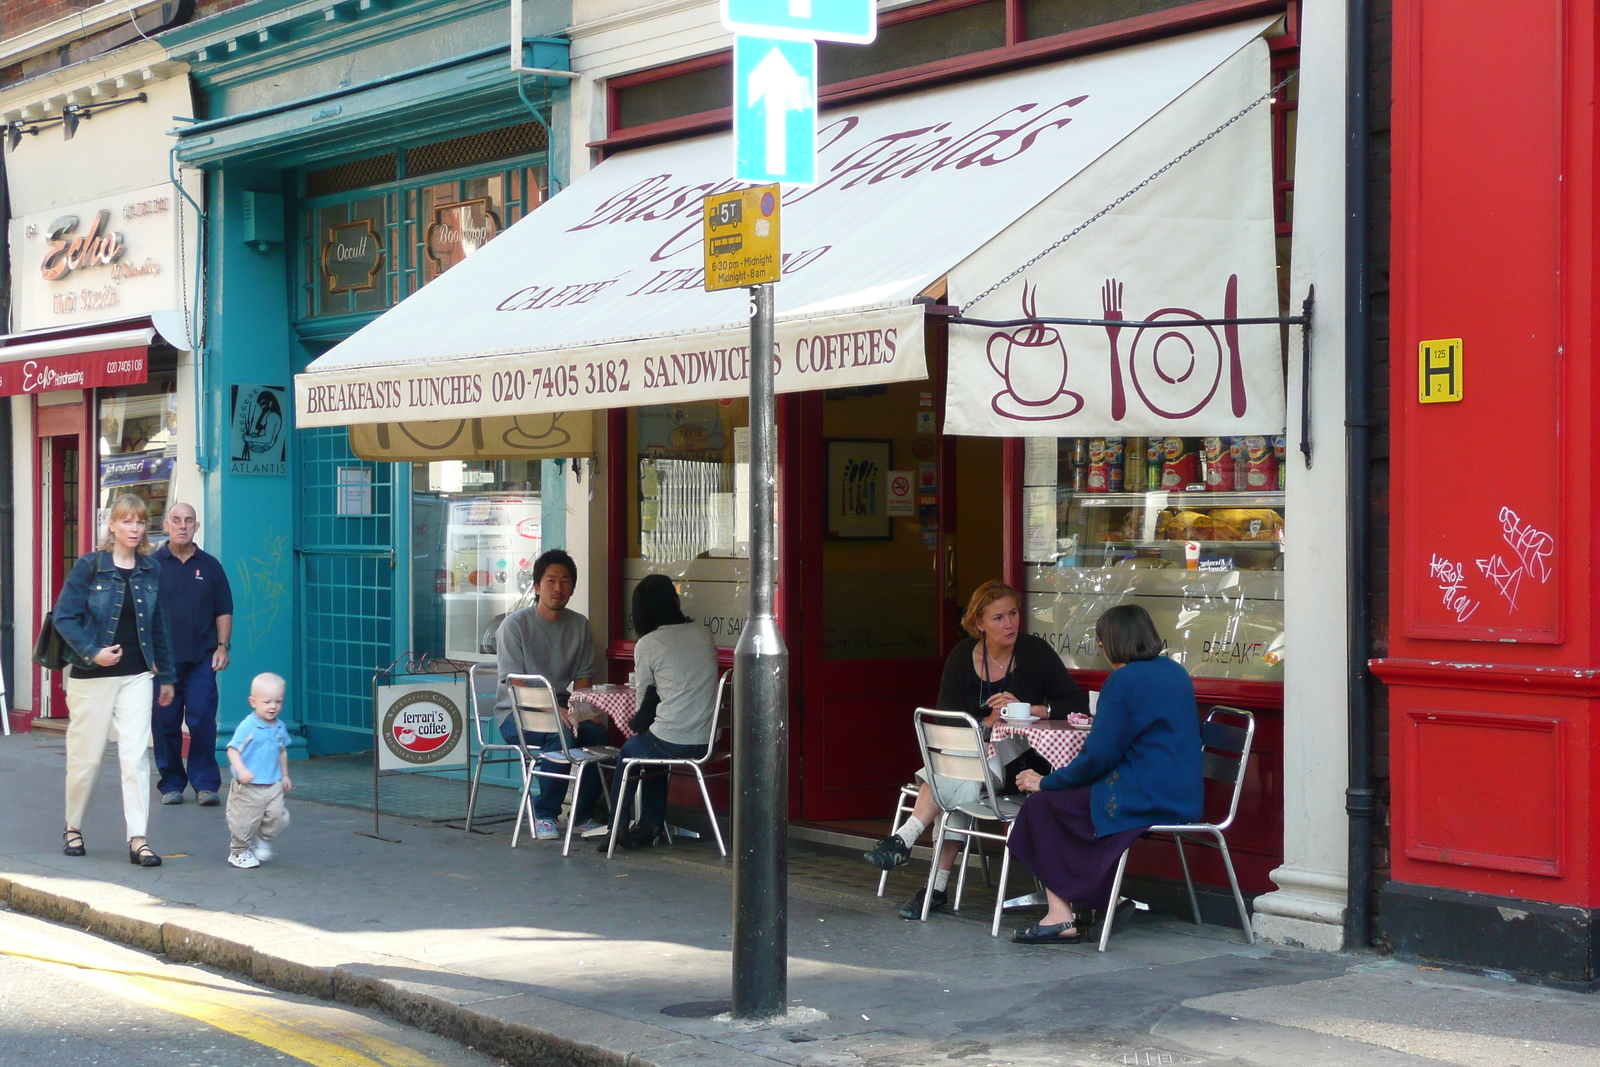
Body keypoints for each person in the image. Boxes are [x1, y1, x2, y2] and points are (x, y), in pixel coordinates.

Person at [862, 579, 1087, 919]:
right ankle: (932, 886)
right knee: (960, 783)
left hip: (1022, 767)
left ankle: (913, 852)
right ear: (978, 623)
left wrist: (1027, 708)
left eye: (1013, 614)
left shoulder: (1034, 652)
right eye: (998, 618)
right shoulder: (960, 658)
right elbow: (949, 725)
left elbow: (1075, 701)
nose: (1009, 624)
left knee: (954, 779)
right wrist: (989, 723)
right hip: (969, 761)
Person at [1006, 604, 1203, 944]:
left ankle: (1060, 916)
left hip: (1144, 793)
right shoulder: (1175, 672)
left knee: (1042, 806)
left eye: (1100, 642)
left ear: (1108, 643)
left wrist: (1046, 781)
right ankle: (1103, 899)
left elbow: (1097, 758)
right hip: (1181, 792)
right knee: (1072, 805)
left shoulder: (1123, 681)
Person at [51, 494, 176, 867]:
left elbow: (159, 626)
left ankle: (138, 838)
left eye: (140, 521)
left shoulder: (150, 570)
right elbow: (64, 617)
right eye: (127, 521)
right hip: (92, 677)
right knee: (86, 759)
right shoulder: (91, 566)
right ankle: (73, 826)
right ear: (112, 525)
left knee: (135, 756)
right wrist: (93, 652)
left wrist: (166, 676)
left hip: (138, 675)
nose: (135, 528)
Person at [496, 548, 608, 840]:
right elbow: (514, 684)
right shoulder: (514, 626)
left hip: (563, 709)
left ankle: (582, 815)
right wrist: (553, 711)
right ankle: (545, 813)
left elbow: (584, 677)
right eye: (550, 581)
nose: (558, 588)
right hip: (518, 713)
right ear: (536, 586)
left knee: (597, 737)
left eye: (566, 581)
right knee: (562, 737)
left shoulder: (579, 625)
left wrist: (583, 711)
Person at [607, 574, 719, 851]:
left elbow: (643, 700)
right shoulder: (703, 633)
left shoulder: (648, 644)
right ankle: (651, 823)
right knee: (653, 751)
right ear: (675, 601)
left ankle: (616, 827)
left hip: (674, 739)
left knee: (630, 753)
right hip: (709, 740)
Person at [151, 502, 235, 807]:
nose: (182, 525)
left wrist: (223, 646)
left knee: (201, 720)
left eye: (188, 520)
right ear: (166, 525)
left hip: (202, 658)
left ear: (196, 527)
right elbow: (141, 613)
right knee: (166, 722)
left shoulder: (210, 566)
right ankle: (171, 783)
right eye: (176, 520)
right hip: (164, 664)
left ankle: (205, 783)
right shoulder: (151, 565)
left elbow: (224, 609)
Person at [225, 673, 293, 870]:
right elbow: (233, 750)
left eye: (278, 702)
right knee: (243, 821)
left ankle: (264, 838)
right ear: (253, 702)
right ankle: (238, 851)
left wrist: (285, 775)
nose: (273, 706)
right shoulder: (248, 726)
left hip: (273, 783)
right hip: (248, 786)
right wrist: (241, 770)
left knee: (278, 816)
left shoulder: (279, 726)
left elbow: (282, 751)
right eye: (267, 702)